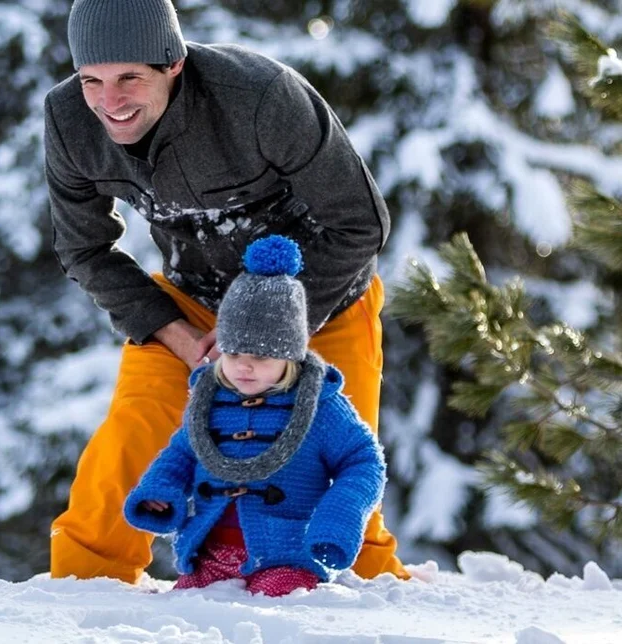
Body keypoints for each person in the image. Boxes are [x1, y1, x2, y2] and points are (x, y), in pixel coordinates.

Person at [45, 0, 406, 583]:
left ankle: (365, 597)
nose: (110, 102)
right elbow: (83, 248)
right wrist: (174, 332)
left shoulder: (262, 98)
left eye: (130, 77)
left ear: (173, 63)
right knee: (131, 435)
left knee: (335, 457)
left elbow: (361, 223)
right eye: (93, 80)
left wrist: (271, 332)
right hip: (192, 302)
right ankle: (83, 590)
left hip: (322, 296)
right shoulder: (69, 120)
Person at [124, 236, 387, 596]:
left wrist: (340, 513)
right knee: (189, 606)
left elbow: (364, 462)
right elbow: (183, 453)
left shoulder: (319, 405)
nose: (244, 367)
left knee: (274, 606)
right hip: (209, 555)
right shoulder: (209, 398)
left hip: (286, 556)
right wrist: (161, 489)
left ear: (290, 357)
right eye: (233, 355)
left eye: (261, 357)